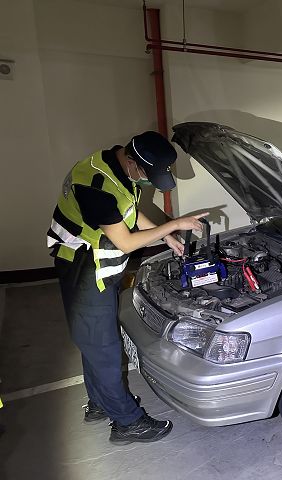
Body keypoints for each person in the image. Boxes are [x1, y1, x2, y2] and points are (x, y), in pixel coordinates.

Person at [47, 131, 207, 444]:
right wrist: (174, 224)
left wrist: (165, 237)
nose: (151, 182)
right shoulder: (98, 186)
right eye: (149, 176)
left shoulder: (116, 166)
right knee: (104, 346)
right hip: (84, 269)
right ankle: (126, 423)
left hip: (92, 262)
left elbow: (130, 214)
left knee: (94, 341)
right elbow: (125, 240)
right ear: (132, 162)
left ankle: (99, 403)